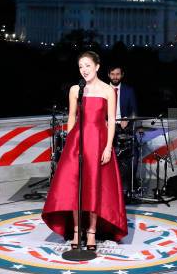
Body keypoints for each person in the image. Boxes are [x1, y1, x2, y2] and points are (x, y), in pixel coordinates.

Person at [42, 51, 128, 251]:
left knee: (94, 188)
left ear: (97, 67)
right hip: (77, 143)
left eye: (87, 65)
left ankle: (91, 232)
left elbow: (111, 122)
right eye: (81, 66)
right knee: (74, 188)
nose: (84, 70)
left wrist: (108, 147)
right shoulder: (75, 89)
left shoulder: (108, 90)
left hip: (98, 143)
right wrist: (70, 142)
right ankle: (75, 231)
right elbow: (72, 117)